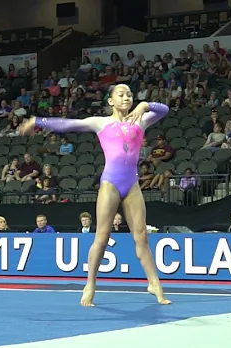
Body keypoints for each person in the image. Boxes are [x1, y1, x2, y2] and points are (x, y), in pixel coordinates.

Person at [18, 84, 171, 306]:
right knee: (102, 237)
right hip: (110, 183)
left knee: (141, 236)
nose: (127, 98)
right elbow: (69, 124)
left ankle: (154, 284)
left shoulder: (141, 120)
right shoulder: (101, 122)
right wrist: (37, 121)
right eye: (121, 95)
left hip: (132, 184)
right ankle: (90, 283)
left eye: (130, 94)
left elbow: (164, 110)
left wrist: (145, 104)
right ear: (111, 101)